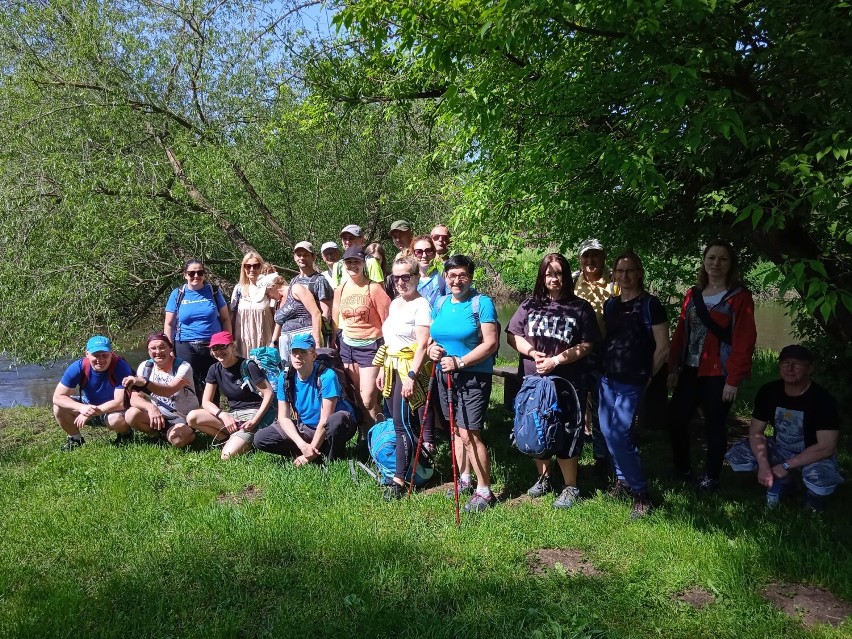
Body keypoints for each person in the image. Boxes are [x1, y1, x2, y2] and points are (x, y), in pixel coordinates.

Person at [507, 253, 600, 509]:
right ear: (542, 276)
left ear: (566, 276)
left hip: (567, 383)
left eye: (558, 273)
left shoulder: (580, 307)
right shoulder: (529, 305)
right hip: (534, 382)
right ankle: (544, 478)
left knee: (568, 430)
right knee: (537, 427)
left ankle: (571, 486)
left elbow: (587, 344)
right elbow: (513, 335)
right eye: (549, 274)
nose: (554, 278)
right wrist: (532, 352)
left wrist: (556, 360)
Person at [668, 239, 757, 490]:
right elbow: (680, 334)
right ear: (704, 262)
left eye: (722, 259)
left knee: (714, 424)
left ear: (731, 264)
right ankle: (682, 468)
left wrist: (733, 379)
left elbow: (744, 340)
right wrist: (673, 367)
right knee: (676, 419)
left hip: (719, 372)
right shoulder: (693, 294)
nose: (716, 263)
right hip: (690, 368)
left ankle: (711, 477)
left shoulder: (739, 298)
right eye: (711, 258)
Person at [725, 345, 843, 511]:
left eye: (796, 363)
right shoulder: (769, 391)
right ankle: (784, 483)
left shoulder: (823, 400)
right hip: (781, 448)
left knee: (822, 479)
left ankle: (813, 497)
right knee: (738, 454)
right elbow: (755, 432)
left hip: (812, 454)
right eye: (785, 362)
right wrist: (764, 466)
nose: (790, 368)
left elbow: (826, 447)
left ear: (810, 368)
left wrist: (786, 466)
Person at [597, 252, 669, 518]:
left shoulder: (651, 304)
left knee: (620, 434)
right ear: (614, 274)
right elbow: (609, 339)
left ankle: (642, 494)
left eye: (630, 271)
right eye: (620, 271)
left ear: (639, 273)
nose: (625, 276)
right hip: (608, 377)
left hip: (633, 379)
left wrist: (648, 376)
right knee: (606, 431)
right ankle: (623, 481)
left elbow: (663, 347)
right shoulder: (611, 305)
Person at [428, 255, 499, 512]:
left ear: (470, 276)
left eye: (462, 275)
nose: (457, 280)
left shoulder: (482, 303)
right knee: (457, 430)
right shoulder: (440, 302)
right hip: (445, 374)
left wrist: (460, 362)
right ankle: (465, 479)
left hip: (473, 375)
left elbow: (490, 344)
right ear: (445, 278)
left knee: (470, 432)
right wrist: (432, 350)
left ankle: (484, 491)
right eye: (452, 275)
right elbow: (433, 338)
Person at [375, 255, 433, 499]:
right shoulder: (396, 303)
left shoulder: (421, 305)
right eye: (395, 277)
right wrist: (381, 368)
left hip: (408, 368)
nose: (400, 282)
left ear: (417, 277)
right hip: (391, 366)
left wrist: (411, 376)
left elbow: (421, 345)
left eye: (405, 277)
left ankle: (399, 479)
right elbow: (390, 341)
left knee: (402, 423)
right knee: (398, 421)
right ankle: (412, 468)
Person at [254, 334, 357, 464]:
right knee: (261, 438)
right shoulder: (285, 377)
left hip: (334, 426)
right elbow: (283, 417)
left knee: (336, 421)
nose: (298, 356)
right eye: (294, 352)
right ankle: (317, 452)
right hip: (306, 427)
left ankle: (333, 459)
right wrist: (302, 445)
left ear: (313, 355)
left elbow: (325, 419)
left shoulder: (327, 376)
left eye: (303, 352)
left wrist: (309, 455)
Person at [185, 331, 275, 460]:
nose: (219, 351)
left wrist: (254, 421)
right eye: (215, 348)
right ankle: (227, 438)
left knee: (226, 456)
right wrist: (223, 415)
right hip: (232, 416)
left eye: (223, 346)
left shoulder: (248, 366)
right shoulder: (214, 369)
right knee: (192, 417)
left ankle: (246, 439)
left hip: (252, 416)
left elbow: (268, 393)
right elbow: (206, 402)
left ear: (232, 346)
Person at [331, 246, 391, 429]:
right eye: (349, 262)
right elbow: (335, 316)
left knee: (368, 398)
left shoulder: (374, 288)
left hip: (371, 346)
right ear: (343, 265)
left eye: (356, 262)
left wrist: (388, 350)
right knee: (356, 395)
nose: (352, 266)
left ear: (364, 263)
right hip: (347, 346)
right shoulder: (340, 289)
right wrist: (334, 339)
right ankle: (366, 433)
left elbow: (388, 321)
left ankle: (381, 435)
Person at [572, 238, 618, 475]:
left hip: (604, 353)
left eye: (595, 256)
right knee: (575, 405)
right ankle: (572, 456)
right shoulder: (570, 280)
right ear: (580, 259)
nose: (590, 261)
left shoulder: (614, 284)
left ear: (603, 258)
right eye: (586, 256)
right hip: (576, 352)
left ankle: (602, 457)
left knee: (602, 407)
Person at [164, 259, 231, 399]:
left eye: (200, 272)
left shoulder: (213, 291)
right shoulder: (177, 294)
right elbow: (169, 324)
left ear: (204, 274)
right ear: (185, 275)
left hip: (213, 345)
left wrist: (228, 342)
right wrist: (169, 349)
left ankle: (213, 416)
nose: (196, 276)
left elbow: (225, 319)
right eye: (191, 273)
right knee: (187, 384)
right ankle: (191, 417)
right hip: (185, 344)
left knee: (212, 384)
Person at [52, 335, 134, 451]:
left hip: (114, 410)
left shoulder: (120, 366)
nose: (100, 360)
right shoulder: (78, 367)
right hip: (89, 404)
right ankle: (76, 439)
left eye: (104, 355)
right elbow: (57, 397)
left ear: (111, 353)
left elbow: (120, 402)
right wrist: (81, 407)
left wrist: (89, 413)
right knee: (58, 407)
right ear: (87, 354)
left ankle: (126, 435)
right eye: (95, 355)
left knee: (116, 419)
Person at [123, 332, 199, 448]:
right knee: (131, 414)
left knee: (178, 441)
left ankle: (190, 433)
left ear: (170, 348)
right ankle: (160, 436)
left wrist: (145, 383)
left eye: (162, 347)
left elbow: (169, 391)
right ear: (148, 351)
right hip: (158, 415)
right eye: (153, 348)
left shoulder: (183, 367)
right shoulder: (145, 367)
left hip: (182, 417)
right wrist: (150, 407)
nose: (158, 352)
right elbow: (134, 398)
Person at [269, 272, 323, 370]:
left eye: (266, 293)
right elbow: (279, 322)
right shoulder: (277, 302)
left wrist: (317, 343)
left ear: (272, 286)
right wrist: (273, 343)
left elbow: (316, 313)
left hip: (304, 337)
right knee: (289, 374)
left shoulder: (296, 289)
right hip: (286, 344)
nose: (267, 297)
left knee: (308, 371)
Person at [230, 252, 276, 358]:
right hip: (242, 343)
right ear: (243, 268)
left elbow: (277, 316)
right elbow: (231, 316)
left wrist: (275, 341)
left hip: (265, 342)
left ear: (261, 267)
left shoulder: (269, 289)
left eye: (256, 266)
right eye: (248, 266)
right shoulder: (238, 289)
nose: (252, 269)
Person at [291, 241, 335, 345]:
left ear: (313, 257)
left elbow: (326, 312)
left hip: (312, 334)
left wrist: (318, 338)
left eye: (306, 255)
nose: (302, 258)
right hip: (295, 335)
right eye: (299, 255)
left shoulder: (320, 280)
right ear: (294, 257)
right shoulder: (294, 280)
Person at [411, 235, 446, 307]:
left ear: (434, 253)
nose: (424, 255)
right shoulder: (409, 279)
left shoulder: (443, 276)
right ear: (413, 255)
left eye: (428, 251)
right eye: (419, 252)